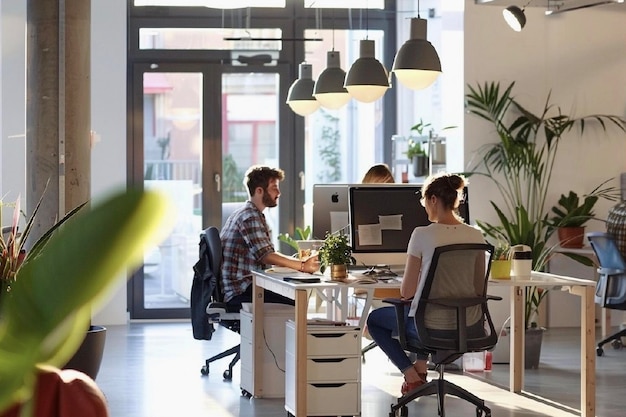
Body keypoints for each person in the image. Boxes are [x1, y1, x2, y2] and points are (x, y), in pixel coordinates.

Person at [365, 172, 486, 396]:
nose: (424, 206)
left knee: (375, 321)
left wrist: (421, 283)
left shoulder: (422, 234)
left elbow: (407, 291)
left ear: (432, 200)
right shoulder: (476, 235)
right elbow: (478, 288)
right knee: (421, 311)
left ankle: (410, 374)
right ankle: (420, 368)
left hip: (429, 326)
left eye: (423, 201)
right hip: (469, 326)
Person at [220, 165, 319, 312]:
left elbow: (265, 255)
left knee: (293, 294)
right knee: (297, 300)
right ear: (259, 191)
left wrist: (295, 264)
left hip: (240, 288)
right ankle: (281, 335)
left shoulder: (245, 213)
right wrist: (302, 265)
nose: (278, 192)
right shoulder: (250, 216)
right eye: (274, 187)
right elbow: (266, 256)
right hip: (240, 291)